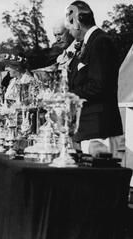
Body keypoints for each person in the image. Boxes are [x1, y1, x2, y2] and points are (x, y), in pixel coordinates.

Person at [66, 1, 123, 156]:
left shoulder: (100, 42)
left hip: (99, 129)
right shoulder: (89, 43)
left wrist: (67, 96)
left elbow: (98, 85)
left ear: (77, 22)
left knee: (100, 178)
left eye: (69, 25)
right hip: (88, 128)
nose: (69, 31)